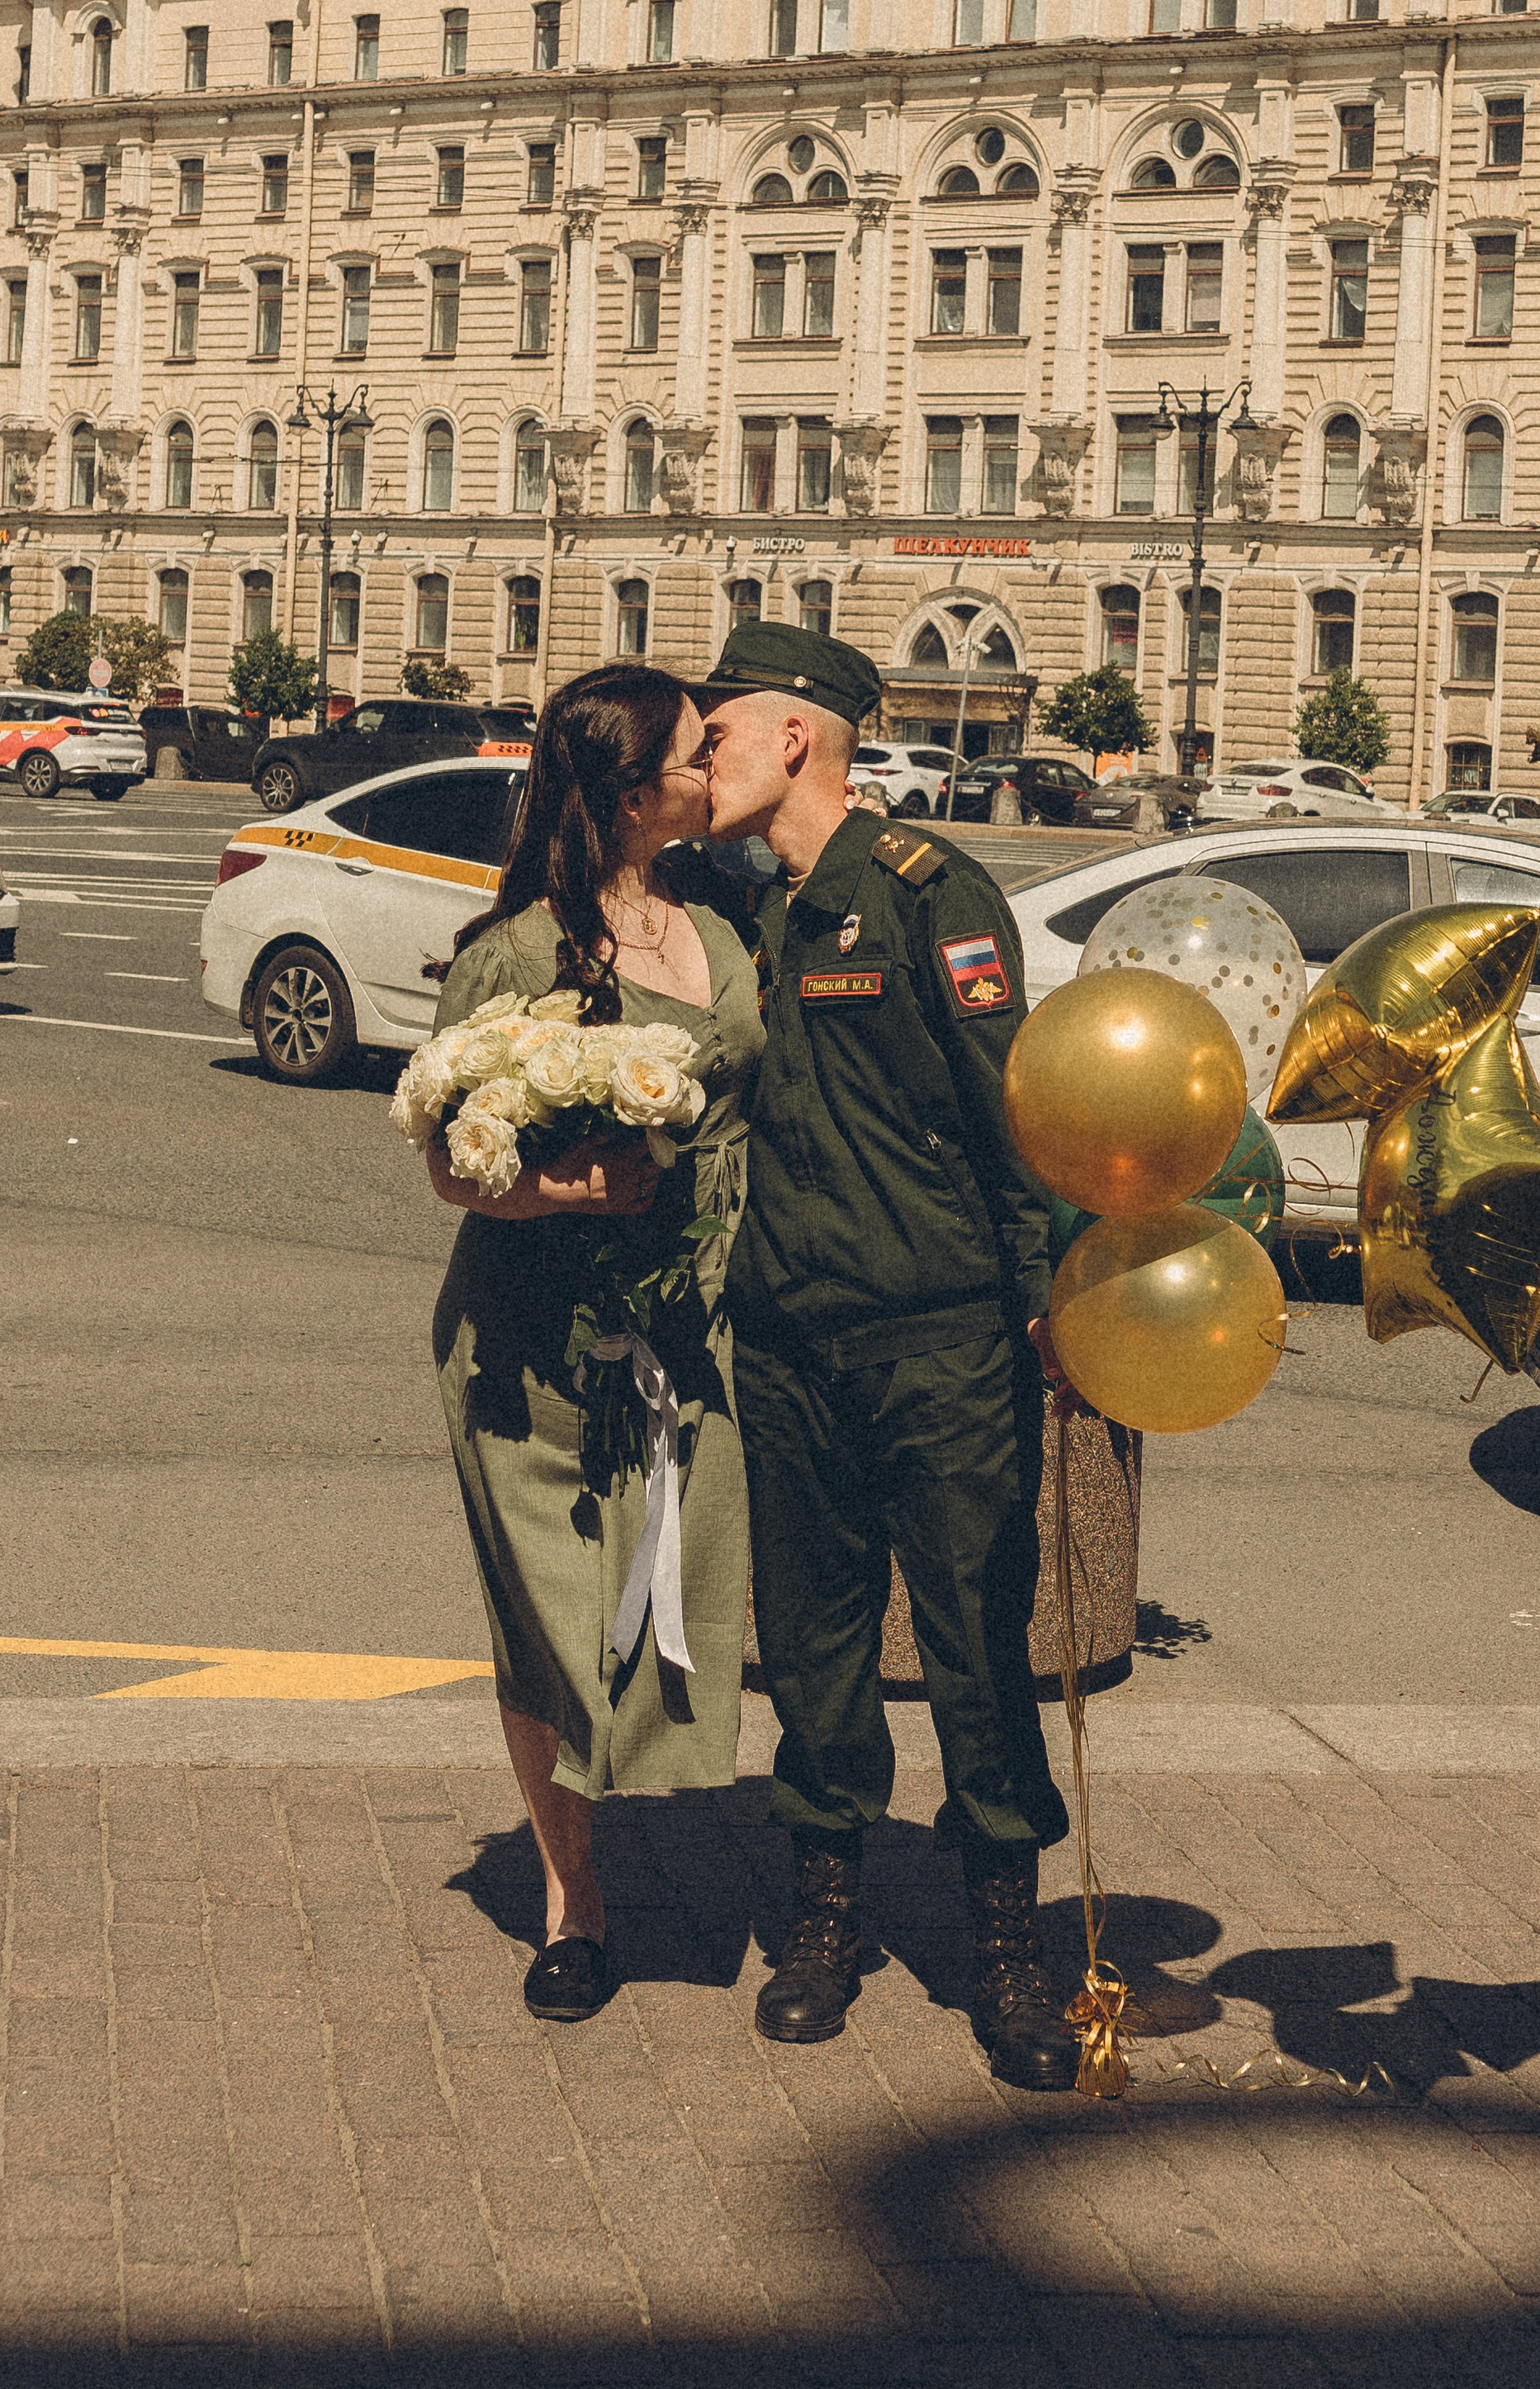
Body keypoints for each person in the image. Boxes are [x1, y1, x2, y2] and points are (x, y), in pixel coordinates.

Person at [696, 620, 1077, 2093]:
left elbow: (1019, 1116)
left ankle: (1007, 1953)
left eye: (721, 730)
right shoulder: (751, 904)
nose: (703, 756)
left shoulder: (930, 894)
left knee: (981, 1645)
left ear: (794, 737)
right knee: (813, 1649)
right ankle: (826, 1926)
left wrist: (1049, 1305)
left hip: (941, 1343)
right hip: (789, 1339)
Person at [427, 663, 764, 2024]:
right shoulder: (516, 952)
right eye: (695, 758)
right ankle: (575, 1903)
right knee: (551, 1621)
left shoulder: (725, 912)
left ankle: (653, 1801)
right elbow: (450, 1156)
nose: (713, 775)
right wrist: (562, 1189)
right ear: (633, 796)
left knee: (682, 1599)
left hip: (696, 1323)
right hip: (536, 1344)